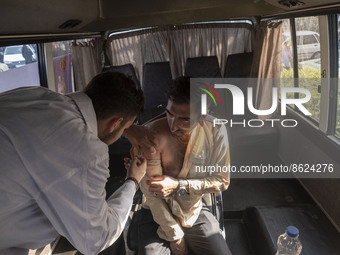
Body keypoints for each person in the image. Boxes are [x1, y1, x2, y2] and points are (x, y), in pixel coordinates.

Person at [0, 72, 152, 255]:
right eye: (125, 128)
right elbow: (97, 239)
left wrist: (128, 129)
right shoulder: (88, 152)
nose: (124, 133)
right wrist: (133, 181)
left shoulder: (34, 94)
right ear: (115, 122)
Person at [128, 76, 232, 255]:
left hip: (193, 209)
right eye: (169, 113)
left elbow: (222, 181)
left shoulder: (216, 131)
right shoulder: (150, 136)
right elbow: (152, 195)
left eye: (184, 119)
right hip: (155, 213)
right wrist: (175, 236)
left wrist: (179, 186)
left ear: (202, 116)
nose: (173, 125)